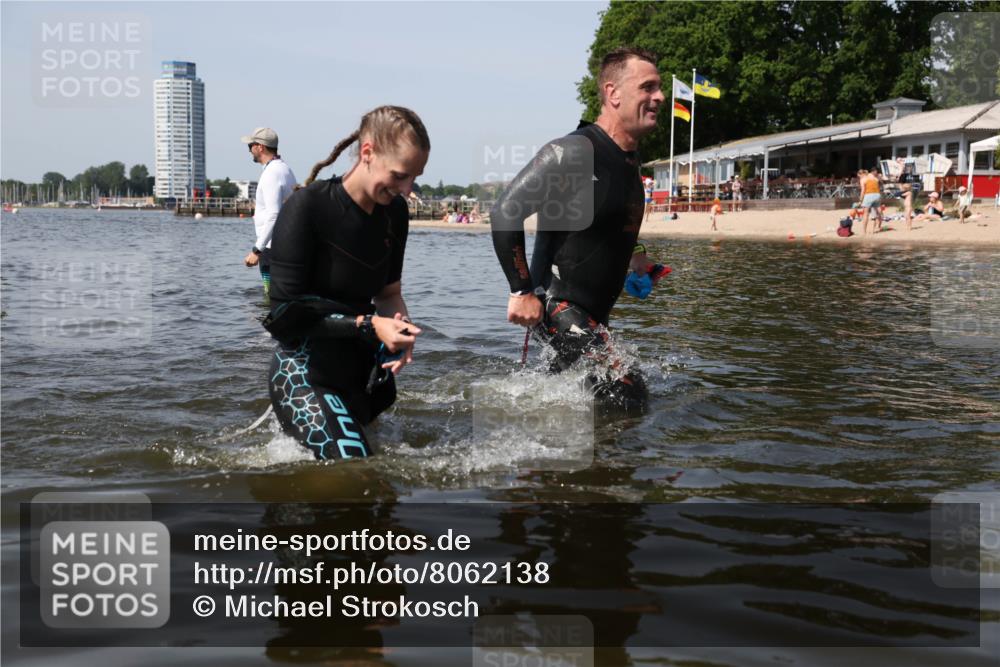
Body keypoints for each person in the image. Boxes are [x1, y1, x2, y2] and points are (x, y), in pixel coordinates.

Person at [491, 46, 665, 411]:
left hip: (591, 315)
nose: (659, 97)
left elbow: (605, 228)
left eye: (659, 88)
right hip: (555, 304)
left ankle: (545, 461)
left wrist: (639, 264)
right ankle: (602, 466)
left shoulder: (628, 162)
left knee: (582, 402)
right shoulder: (574, 151)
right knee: (629, 394)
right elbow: (506, 211)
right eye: (648, 87)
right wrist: (521, 290)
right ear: (612, 93)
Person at [262, 106, 430, 460]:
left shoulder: (395, 214)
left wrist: (400, 330)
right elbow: (284, 317)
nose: (406, 189)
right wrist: (369, 324)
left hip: (359, 376)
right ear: (367, 153)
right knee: (356, 472)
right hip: (304, 374)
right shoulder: (307, 207)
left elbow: (388, 294)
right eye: (400, 175)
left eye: (414, 178)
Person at [241, 127, 298, 299]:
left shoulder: (271, 174)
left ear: (260, 147)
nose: (249, 149)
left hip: (272, 247)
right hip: (285, 244)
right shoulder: (285, 169)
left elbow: (274, 214)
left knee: (271, 296)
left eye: (250, 145)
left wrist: (256, 250)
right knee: (281, 294)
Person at [857, 169, 882, 235]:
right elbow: (879, 185)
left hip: (869, 195)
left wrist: (860, 200)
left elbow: (863, 190)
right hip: (877, 195)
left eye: (859, 176)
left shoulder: (863, 179)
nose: (859, 178)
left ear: (862, 174)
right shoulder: (874, 178)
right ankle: (873, 230)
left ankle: (864, 231)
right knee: (875, 213)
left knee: (866, 214)